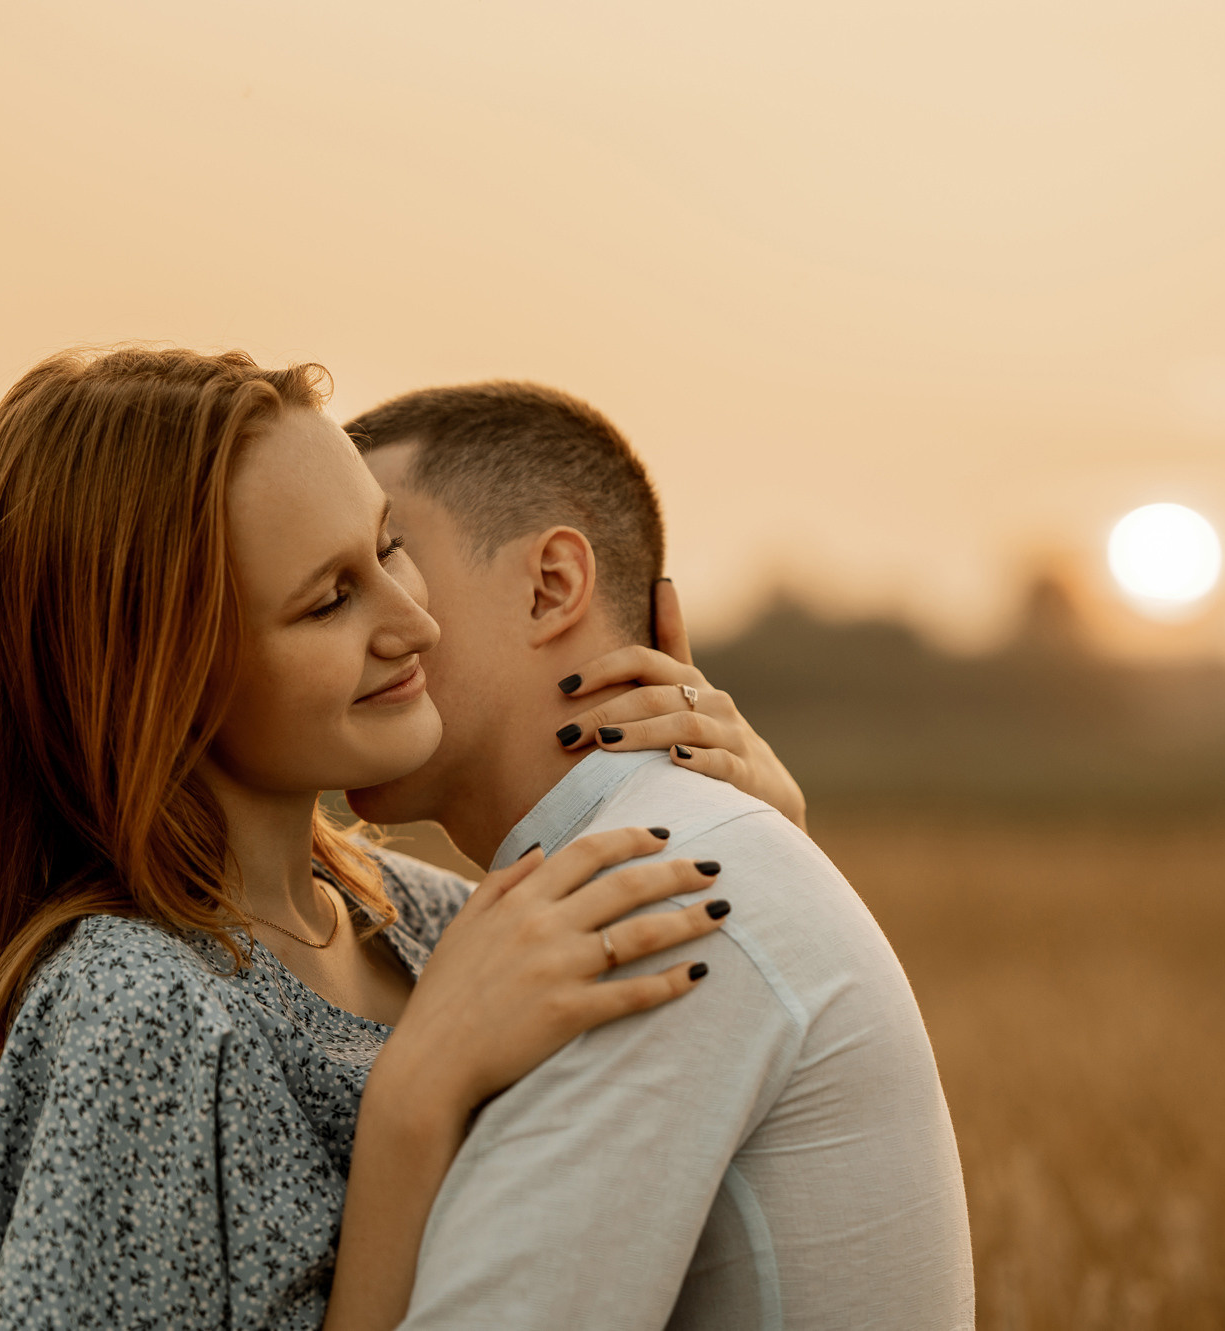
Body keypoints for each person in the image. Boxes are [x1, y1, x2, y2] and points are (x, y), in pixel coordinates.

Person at [0, 347, 805, 1331]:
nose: (415, 621)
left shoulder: (435, 921)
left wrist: (760, 839)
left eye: (388, 546)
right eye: (330, 598)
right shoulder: (137, 1009)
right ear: (159, 673)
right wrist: (412, 1107)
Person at [343, 381, 976, 1329]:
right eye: (329, 587)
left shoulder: (651, 897)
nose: (357, 619)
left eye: (391, 553)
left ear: (552, 585)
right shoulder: (667, 854)